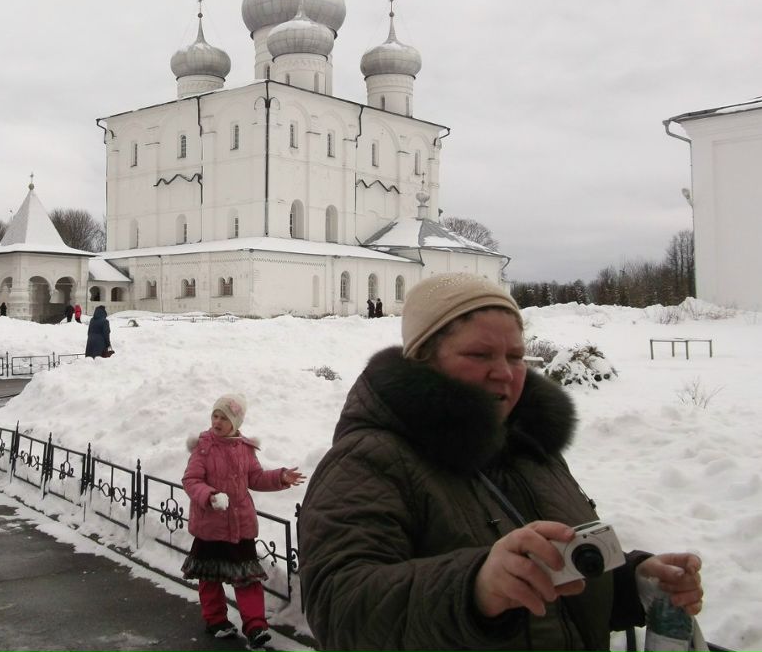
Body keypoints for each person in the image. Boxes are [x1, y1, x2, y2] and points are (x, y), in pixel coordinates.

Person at [298, 273, 704, 651]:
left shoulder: (528, 448)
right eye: (479, 354)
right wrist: (473, 590)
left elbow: (556, 580)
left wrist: (631, 580)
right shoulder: (371, 460)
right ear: (422, 359)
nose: (505, 374)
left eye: (515, 356)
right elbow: (340, 608)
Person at [182, 394, 306, 648]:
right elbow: (191, 481)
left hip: (240, 525)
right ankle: (216, 620)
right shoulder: (203, 448)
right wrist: (210, 496)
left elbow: (256, 478)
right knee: (210, 576)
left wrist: (281, 477)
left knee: (247, 578)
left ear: (236, 423)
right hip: (210, 525)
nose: (217, 422)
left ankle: (256, 626)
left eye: (224, 418)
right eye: (215, 416)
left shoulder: (245, 448)